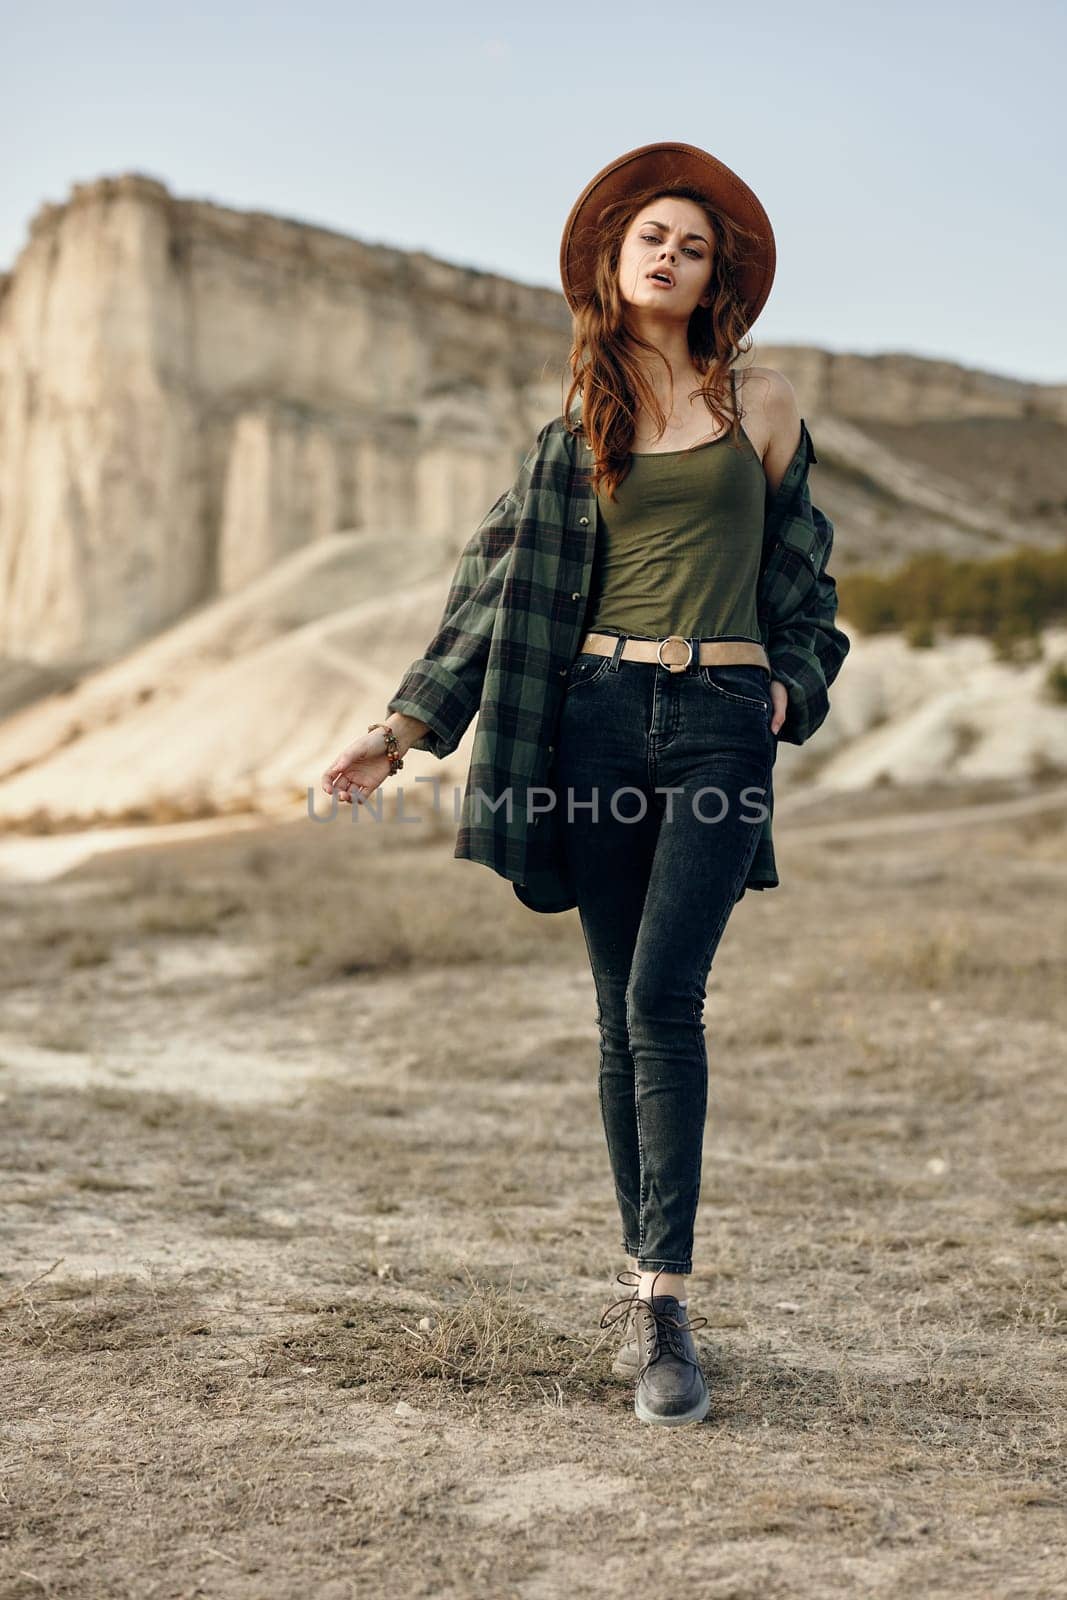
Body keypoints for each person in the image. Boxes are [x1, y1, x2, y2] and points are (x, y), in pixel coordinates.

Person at [322, 143, 849, 1428]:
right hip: (595, 725)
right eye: (651, 239)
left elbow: (806, 582)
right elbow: (489, 593)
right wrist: (400, 731)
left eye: (694, 245)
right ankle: (653, 1300)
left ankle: (662, 1296)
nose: (670, 256)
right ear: (613, 266)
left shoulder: (760, 403)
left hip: (719, 720)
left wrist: (788, 682)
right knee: (620, 1010)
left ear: (716, 276)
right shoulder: (573, 435)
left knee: (668, 996)